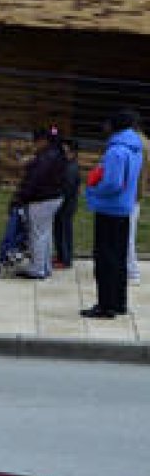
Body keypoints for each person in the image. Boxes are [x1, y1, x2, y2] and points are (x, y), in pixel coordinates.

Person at [82, 110, 143, 319]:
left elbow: (113, 183)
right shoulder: (135, 148)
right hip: (124, 208)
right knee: (118, 259)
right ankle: (118, 302)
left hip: (109, 209)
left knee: (105, 259)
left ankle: (105, 305)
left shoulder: (116, 151)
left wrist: (92, 190)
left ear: (115, 125)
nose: (104, 127)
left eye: (107, 122)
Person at [11, 127, 67, 280]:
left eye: (36, 141)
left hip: (42, 200)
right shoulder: (56, 153)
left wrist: (20, 197)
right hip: (54, 198)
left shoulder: (46, 157)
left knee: (37, 234)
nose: (34, 144)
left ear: (44, 141)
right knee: (45, 233)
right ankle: (44, 266)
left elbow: (34, 180)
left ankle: (37, 269)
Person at [53, 138, 81, 269]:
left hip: (66, 205)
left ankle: (65, 259)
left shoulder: (71, 168)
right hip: (62, 203)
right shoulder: (67, 165)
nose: (63, 154)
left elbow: (68, 188)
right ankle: (60, 255)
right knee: (59, 229)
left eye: (65, 151)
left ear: (73, 152)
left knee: (64, 231)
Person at [129, 123, 150, 285]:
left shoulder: (137, 143)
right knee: (129, 234)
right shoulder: (145, 141)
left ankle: (132, 271)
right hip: (136, 193)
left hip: (131, 194)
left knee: (127, 235)